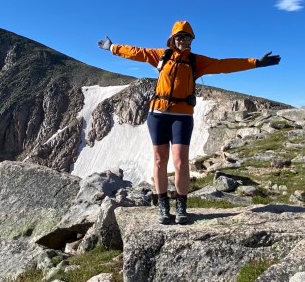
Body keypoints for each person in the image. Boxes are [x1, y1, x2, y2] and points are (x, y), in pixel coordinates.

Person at [97, 20, 280, 224]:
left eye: (187, 37)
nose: (182, 40)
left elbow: (224, 65)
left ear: (192, 40)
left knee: (181, 162)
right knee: (159, 160)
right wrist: (112, 47)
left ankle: (181, 205)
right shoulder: (162, 55)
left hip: (182, 116)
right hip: (157, 114)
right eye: (179, 36)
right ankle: (163, 206)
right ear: (172, 39)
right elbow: (136, 52)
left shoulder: (196, 61)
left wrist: (255, 62)